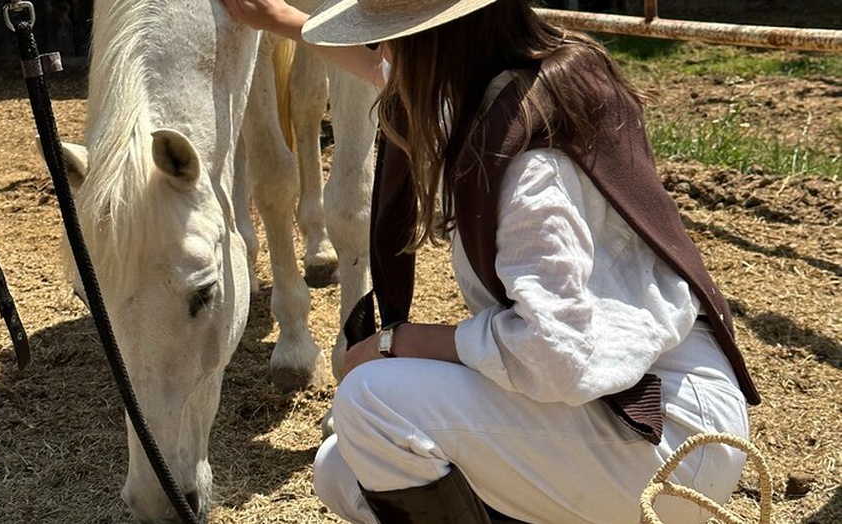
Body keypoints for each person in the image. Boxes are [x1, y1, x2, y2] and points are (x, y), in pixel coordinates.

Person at [221, 1, 760, 522]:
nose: (381, 51)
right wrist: (282, 21)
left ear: (432, 42)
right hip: (626, 412)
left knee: (370, 403)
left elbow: (556, 354)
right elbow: (390, 76)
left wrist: (394, 343)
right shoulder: (516, 87)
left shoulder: (530, 167)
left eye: (390, 34)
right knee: (341, 471)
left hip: (668, 438)